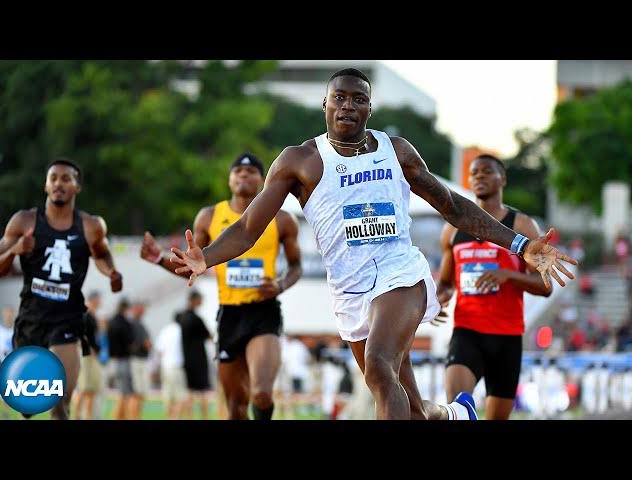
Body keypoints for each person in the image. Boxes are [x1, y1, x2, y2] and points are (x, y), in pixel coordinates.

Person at [170, 68, 578, 420]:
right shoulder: (299, 160)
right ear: (324, 104)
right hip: (349, 289)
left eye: (358, 99)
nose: (348, 106)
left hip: (400, 272)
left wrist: (520, 244)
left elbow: (452, 205)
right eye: (339, 98)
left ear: (369, 108)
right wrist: (205, 257)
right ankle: (451, 412)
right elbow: (247, 227)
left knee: (379, 367)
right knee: (409, 408)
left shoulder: (395, 151)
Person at [140, 153, 302, 420]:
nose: (243, 175)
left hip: (264, 312)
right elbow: (193, 267)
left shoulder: (282, 219)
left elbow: (296, 266)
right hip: (229, 315)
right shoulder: (209, 217)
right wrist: (158, 258)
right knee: (235, 407)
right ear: (229, 180)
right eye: (237, 171)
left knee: (261, 394)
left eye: (250, 172)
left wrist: (280, 284)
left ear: (263, 180)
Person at [0, 158, 123, 420]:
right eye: (53, 178)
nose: (59, 183)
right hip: (31, 319)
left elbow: (101, 254)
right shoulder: (25, 221)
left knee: (60, 402)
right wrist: (15, 251)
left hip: (68, 320)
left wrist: (111, 272)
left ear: (77, 187)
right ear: (46, 185)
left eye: (66, 179)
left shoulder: (90, 226)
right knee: (26, 406)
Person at [433, 154, 554, 420]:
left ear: (503, 179)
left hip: (506, 337)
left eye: (487, 171)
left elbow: (545, 287)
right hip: (467, 332)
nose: (479, 177)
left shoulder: (521, 225)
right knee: (457, 408)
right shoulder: (452, 230)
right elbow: (445, 284)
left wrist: (508, 275)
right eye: (474, 173)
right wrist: (435, 302)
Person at [175, 291, 212, 419]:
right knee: (202, 393)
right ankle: (204, 418)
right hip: (199, 360)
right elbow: (208, 336)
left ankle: (179, 417)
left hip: (187, 359)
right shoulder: (196, 319)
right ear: (194, 300)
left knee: (188, 392)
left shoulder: (182, 317)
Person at [73, 291, 104, 420]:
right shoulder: (85, 315)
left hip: (93, 356)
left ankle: (87, 416)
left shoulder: (93, 316)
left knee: (90, 389)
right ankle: (77, 416)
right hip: (87, 356)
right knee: (84, 388)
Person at [154, 316, 188, 419]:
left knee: (168, 396)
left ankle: (169, 417)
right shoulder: (181, 331)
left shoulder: (165, 330)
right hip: (177, 367)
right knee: (181, 396)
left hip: (165, 367)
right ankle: (175, 417)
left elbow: (159, 351)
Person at [107, 298, 134, 420]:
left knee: (122, 392)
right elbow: (130, 340)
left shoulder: (111, 321)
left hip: (113, 360)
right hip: (123, 360)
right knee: (124, 394)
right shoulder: (124, 323)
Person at [129, 299, 152, 419]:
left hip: (140, 360)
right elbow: (145, 343)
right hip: (137, 361)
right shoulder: (135, 324)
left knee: (140, 394)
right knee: (136, 394)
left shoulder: (138, 324)